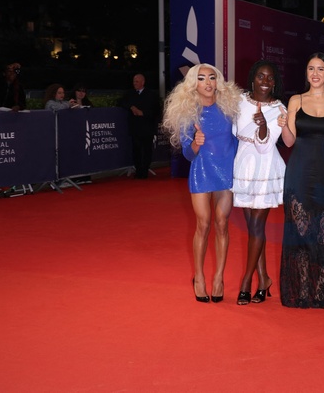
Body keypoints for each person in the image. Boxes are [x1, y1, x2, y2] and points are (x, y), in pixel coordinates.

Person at [162, 63, 240, 304]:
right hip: (202, 171)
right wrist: (196, 141)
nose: (208, 82)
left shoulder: (230, 106)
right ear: (193, 83)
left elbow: (238, 140)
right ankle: (199, 277)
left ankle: (218, 278)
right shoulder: (188, 111)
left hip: (226, 170)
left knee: (222, 223)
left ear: (218, 81)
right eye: (202, 78)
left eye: (212, 77)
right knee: (203, 224)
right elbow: (188, 154)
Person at [278, 52, 324, 308]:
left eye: (320, 69)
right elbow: (289, 141)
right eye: (311, 68)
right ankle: (303, 288)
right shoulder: (296, 100)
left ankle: (321, 289)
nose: (315, 73)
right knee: (301, 232)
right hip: (299, 172)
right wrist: (283, 124)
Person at [233, 61, 287, 305]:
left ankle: (246, 281)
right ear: (252, 78)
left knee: (256, 228)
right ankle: (264, 278)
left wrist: (264, 124)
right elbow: (233, 132)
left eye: (270, 78)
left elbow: (265, 146)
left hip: (265, 168)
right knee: (254, 230)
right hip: (243, 167)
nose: (265, 81)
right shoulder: (238, 101)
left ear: (275, 82)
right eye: (261, 76)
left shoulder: (279, 109)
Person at [119, 73, 161, 179]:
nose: (135, 83)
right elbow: (121, 102)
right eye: (134, 81)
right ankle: (138, 170)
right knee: (136, 150)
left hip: (147, 127)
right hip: (135, 127)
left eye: (137, 81)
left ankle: (145, 170)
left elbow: (156, 111)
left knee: (147, 150)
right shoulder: (130, 94)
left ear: (143, 82)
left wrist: (143, 113)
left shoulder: (151, 95)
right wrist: (131, 107)